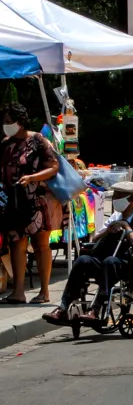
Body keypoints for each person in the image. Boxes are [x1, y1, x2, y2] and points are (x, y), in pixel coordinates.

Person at [46, 180, 133, 325]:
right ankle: (63, 307)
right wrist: (108, 230)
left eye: (119, 197)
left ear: (131, 200)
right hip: (107, 258)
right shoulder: (115, 216)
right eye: (115, 196)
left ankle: (95, 309)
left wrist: (126, 227)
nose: (115, 200)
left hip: (129, 262)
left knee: (110, 262)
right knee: (82, 260)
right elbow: (96, 237)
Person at [0, 103, 61, 304]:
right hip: (14, 202)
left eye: (9, 121)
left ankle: (44, 292)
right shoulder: (6, 144)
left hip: (37, 200)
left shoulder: (38, 140)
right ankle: (18, 291)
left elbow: (53, 167)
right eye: (5, 121)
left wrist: (32, 177)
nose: (5, 125)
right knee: (16, 243)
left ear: (20, 121)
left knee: (40, 244)